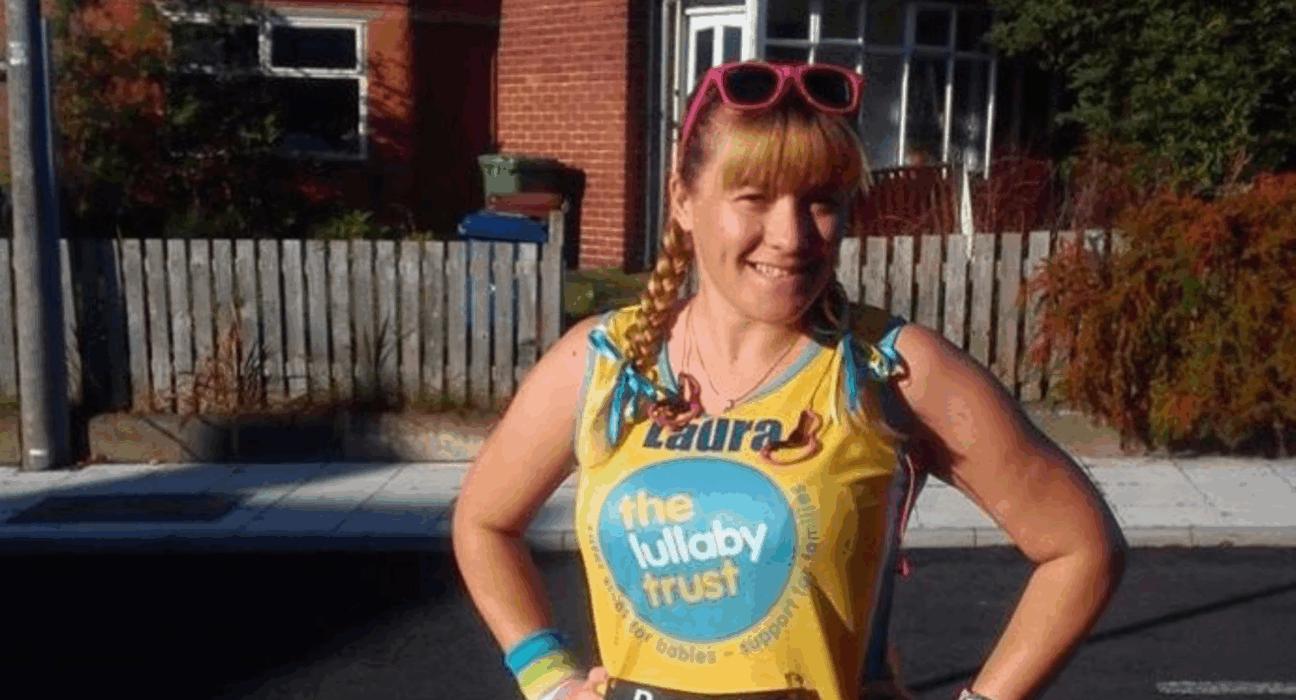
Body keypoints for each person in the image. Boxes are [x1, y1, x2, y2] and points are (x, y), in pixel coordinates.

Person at [453, 59, 1126, 700]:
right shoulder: (602, 362)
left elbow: (1080, 547)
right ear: (684, 200)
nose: (792, 235)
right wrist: (547, 677)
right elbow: (484, 523)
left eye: (821, 201)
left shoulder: (891, 367)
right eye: (753, 197)